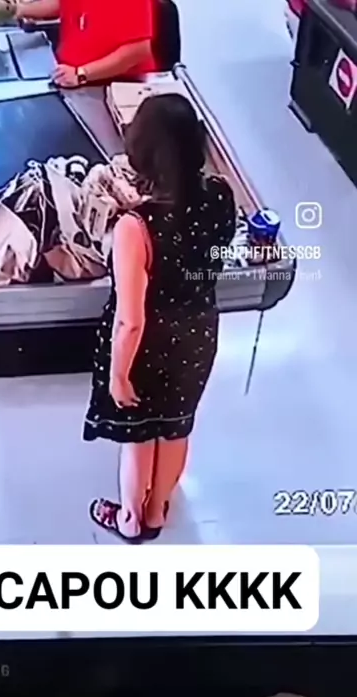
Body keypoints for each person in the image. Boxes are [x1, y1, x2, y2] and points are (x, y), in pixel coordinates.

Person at [83, 93, 236, 543]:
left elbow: (130, 319)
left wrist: (118, 375)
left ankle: (130, 521)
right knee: (175, 427)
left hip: (148, 345)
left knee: (138, 435)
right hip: (198, 333)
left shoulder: (135, 227)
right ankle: (156, 512)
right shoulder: (221, 196)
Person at [13, 0, 156, 87]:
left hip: (110, 85)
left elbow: (138, 51)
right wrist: (19, 9)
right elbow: (63, 3)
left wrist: (81, 74)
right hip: (67, 76)